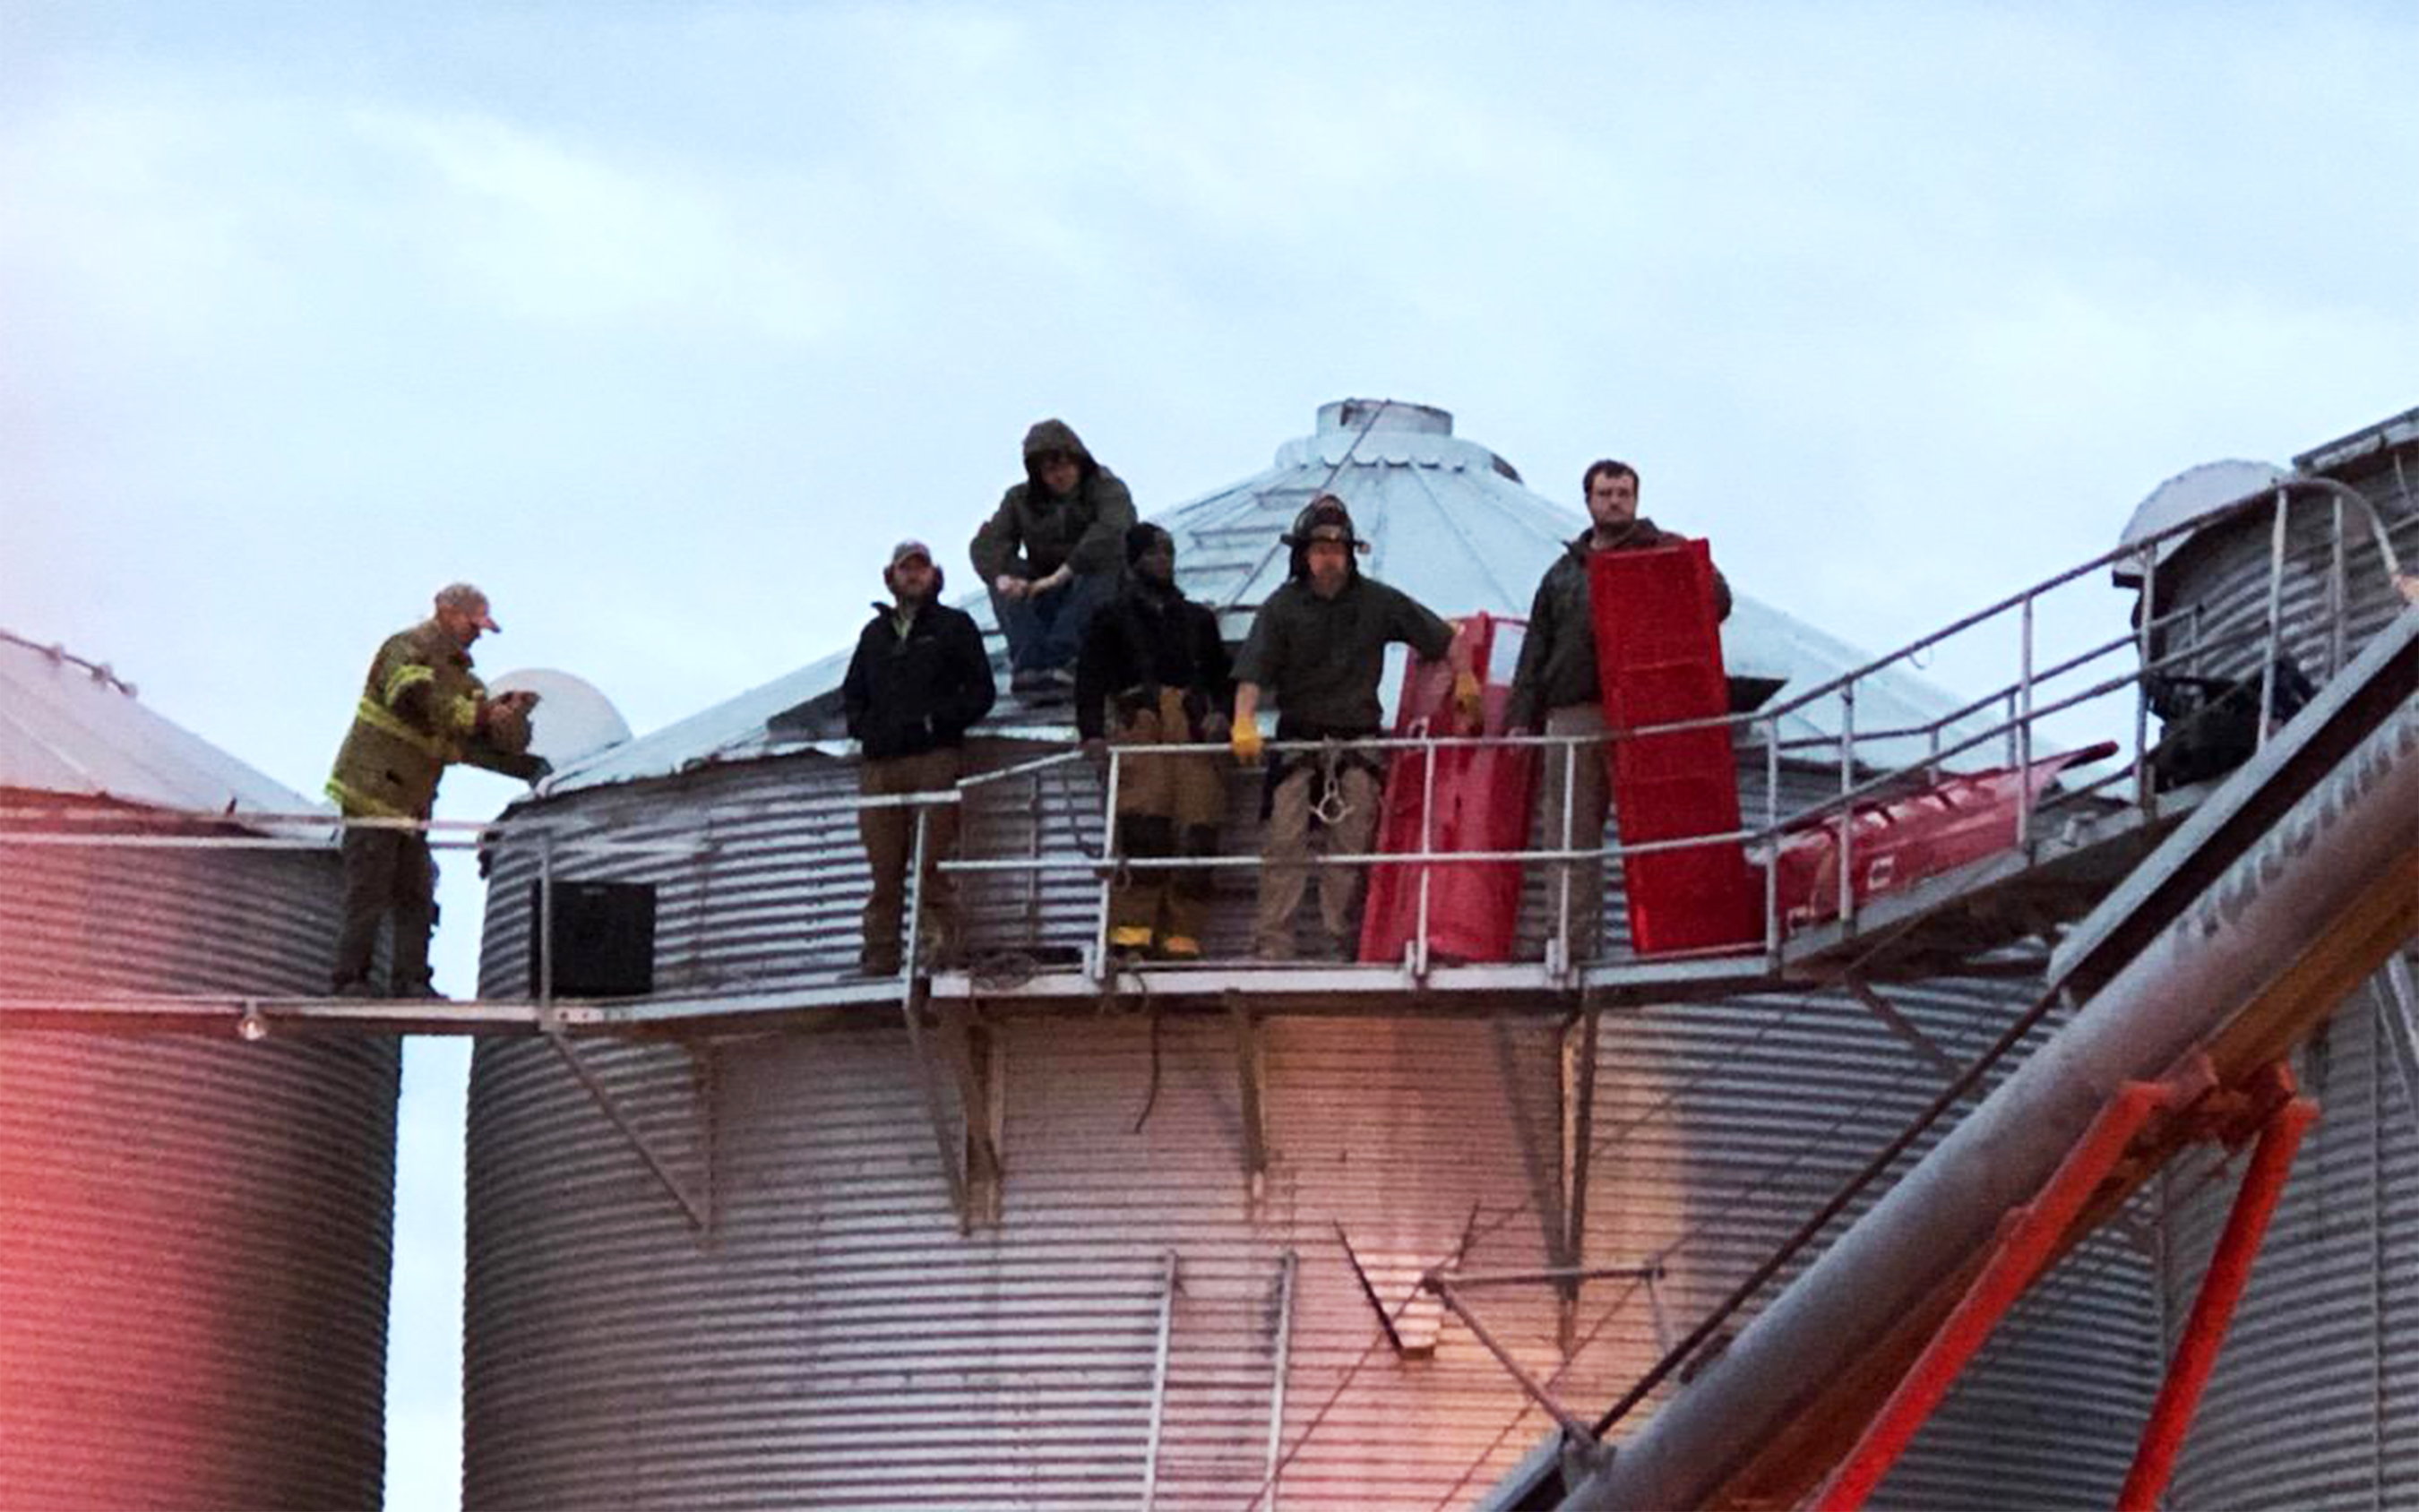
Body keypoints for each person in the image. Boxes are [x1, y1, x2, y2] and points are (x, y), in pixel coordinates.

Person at [1230, 494, 1476, 961]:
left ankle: (1337, 944)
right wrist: (1244, 720)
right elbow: (1252, 674)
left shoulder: (1378, 602)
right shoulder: (1281, 607)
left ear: (1350, 554)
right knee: (1283, 844)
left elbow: (1446, 638)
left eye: (1337, 550)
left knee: (1351, 846)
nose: (1329, 559)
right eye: (1320, 550)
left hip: (1357, 740)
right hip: (1299, 739)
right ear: (1304, 555)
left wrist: (1465, 678)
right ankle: (1273, 945)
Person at [1505, 460, 1733, 961]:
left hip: (1645, 710)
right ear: (1588, 500)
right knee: (1569, 833)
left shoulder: (1664, 550)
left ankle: (1678, 938)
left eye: (1623, 493)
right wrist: (1521, 717)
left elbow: (1717, 601)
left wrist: (1681, 568)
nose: (1615, 502)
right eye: (1606, 493)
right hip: (1575, 711)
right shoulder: (1563, 572)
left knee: (1661, 828)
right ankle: (1569, 943)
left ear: (1636, 499)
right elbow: (1536, 647)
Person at [325, 582, 543, 998]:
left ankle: (411, 981)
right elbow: (415, 699)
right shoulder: (407, 649)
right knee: (369, 890)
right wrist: (480, 714)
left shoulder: (465, 680)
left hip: (411, 805)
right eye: (473, 624)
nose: (477, 634)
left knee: (417, 894)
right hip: (372, 792)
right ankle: (349, 979)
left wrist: (512, 715)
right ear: (446, 612)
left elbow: (494, 743)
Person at [1074, 523, 1235, 961]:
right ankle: (1131, 935)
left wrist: (1223, 714)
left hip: (1192, 729)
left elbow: (1224, 679)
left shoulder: (1198, 619)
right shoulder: (1110, 617)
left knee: (1198, 829)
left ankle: (1182, 937)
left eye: (1167, 553)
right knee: (1143, 830)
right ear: (1133, 562)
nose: (1162, 561)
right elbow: (1089, 680)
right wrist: (1092, 733)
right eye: (1151, 554)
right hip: (1140, 724)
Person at [841, 539, 998, 975]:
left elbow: (981, 691)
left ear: (935, 575)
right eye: (905, 568)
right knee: (884, 867)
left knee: (933, 863)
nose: (913, 575)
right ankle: (881, 954)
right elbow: (852, 694)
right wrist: (867, 728)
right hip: (880, 765)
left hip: (934, 759)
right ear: (890, 577)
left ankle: (940, 952)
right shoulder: (874, 635)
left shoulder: (954, 626)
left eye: (921, 567)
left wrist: (937, 724)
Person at [970, 418, 1136, 693]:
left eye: (1065, 465)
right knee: (1006, 571)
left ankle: (1065, 657)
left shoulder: (1108, 488)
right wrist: (1002, 579)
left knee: (1105, 562)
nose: (1060, 475)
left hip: (1098, 594)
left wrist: (1061, 575)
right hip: (1046, 596)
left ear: (1079, 462)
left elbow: (1112, 531)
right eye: (1049, 469)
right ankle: (1030, 663)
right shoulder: (1020, 499)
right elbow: (988, 543)